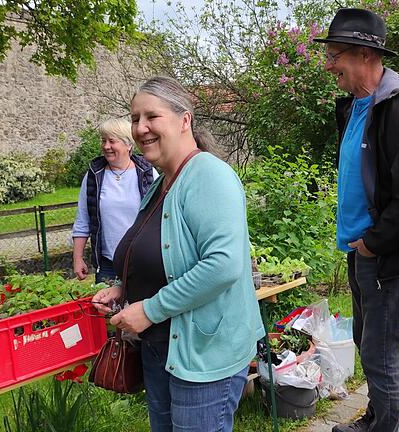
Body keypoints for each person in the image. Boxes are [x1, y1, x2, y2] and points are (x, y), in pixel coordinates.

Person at [92, 76, 264, 432]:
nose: (141, 128)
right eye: (135, 117)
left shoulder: (210, 176)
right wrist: (126, 290)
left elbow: (223, 266)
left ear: (184, 120)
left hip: (203, 357)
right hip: (163, 351)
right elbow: (165, 256)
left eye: (152, 117)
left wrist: (150, 309)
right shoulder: (161, 183)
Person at [312, 8, 399, 432]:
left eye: (335, 55)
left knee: (383, 353)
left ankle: (387, 427)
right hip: (360, 250)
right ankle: (377, 419)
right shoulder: (355, 106)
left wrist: (375, 242)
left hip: (383, 255)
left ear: (365, 55)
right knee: (368, 347)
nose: (329, 65)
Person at [72, 118, 157, 283]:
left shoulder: (147, 174)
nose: (106, 146)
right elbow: (83, 221)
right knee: (107, 309)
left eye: (112, 141)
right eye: (103, 141)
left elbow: (162, 216)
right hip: (107, 265)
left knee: (139, 308)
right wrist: (77, 258)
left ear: (128, 145)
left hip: (142, 261)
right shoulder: (94, 177)